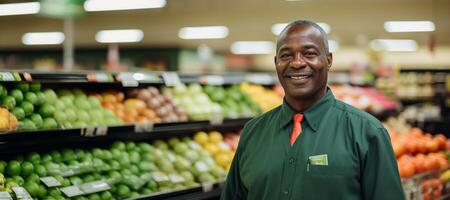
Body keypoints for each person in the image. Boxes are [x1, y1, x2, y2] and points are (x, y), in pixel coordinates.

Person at [220, 19, 405, 200]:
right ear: (276, 62)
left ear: (329, 60)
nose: (297, 63)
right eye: (286, 55)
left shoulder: (367, 132)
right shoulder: (253, 132)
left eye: (309, 54)